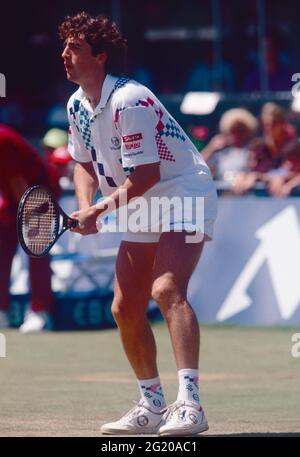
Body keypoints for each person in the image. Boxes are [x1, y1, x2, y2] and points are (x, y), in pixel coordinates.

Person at [60, 12, 217, 436]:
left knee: (166, 289)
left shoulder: (131, 100)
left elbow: (146, 173)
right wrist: (84, 205)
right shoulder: (77, 104)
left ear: (101, 56)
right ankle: (151, 404)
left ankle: (191, 404)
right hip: (137, 199)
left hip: (183, 191)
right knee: (125, 308)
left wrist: (101, 211)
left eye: (75, 48)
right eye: (65, 47)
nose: (65, 55)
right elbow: (83, 162)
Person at [0, 124, 60, 332]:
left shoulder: (2, 140)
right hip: (11, 197)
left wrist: (29, 217)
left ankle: (40, 312)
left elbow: (18, 182)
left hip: (38, 196)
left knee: (37, 251)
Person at [232, 103, 300, 195]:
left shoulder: (295, 147)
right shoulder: (258, 148)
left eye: (273, 124)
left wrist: (284, 179)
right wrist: (248, 176)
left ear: (282, 123)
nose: (269, 129)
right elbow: (256, 172)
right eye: (265, 125)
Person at [201, 108, 258, 184]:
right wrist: (211, 148)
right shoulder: (221, 152)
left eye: (240, 130)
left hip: (246, 194)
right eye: (233, 130)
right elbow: (198, 167)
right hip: (223, 194)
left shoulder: (253, 150)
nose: (236, 134)